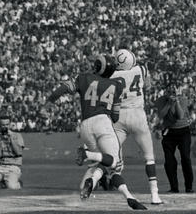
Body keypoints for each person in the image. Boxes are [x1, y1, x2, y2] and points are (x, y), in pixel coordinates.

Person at [47, 54, 147, 210]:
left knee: (105, 164)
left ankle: (95, 183)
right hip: (103, 122)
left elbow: (59, 91)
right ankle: (88, 156)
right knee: (114, 162)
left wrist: (53, 100)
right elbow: (114, 117)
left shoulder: (84, 78)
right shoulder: (116, 85)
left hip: (85, 126)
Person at [109, 49, 163, 205]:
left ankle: (108, 180)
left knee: (112, 155)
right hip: (138, 115)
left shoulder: (111, 75)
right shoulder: (141, 69)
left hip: (118, 116)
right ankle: (155, 194)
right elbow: (148, 85)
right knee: (149, 158)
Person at [154, 84, 195, 194]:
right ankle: (174, 187)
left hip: (183, 130)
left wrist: (176, 102)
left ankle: (189, 187)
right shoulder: (160, 100)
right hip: (169, 131)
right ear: (165, 92)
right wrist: (168, 103)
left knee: (185, 158)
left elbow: (180, 116)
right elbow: (161, 115)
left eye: (173, 92)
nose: (171, 94)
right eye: (169, 92)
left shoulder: (183, 99)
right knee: (169, 160)